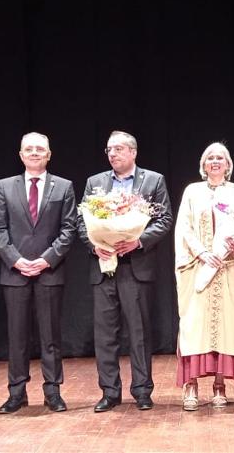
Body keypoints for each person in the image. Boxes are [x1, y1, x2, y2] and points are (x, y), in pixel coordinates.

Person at [78, 130, 173, 412]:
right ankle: (109, 392)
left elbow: (164, 219)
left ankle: (142, 390)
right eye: (109, 149)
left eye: (118, 149)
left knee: (139, 332)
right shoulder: (95, 182)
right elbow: (82, 221)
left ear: (133, 152)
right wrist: (94, 246)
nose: (113, 154)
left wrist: (138, 241)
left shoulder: (153, 180)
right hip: (104, 265)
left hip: (136, 266)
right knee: (105, 334)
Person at [0, 132, 77, 414]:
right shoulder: (5, 186)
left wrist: (46, 260)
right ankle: (16, 393)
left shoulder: (63, 186)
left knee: (50, 336)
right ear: (20, 155)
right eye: (28, 149)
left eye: (40, 149)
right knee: (17, 337)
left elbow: (68, 230)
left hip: (49, 271)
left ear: (49, 155)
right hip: (15, 272)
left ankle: (52, 391)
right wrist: (16, 260)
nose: (34, 153)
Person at [174, 143, 234, 411]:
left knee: (225, 326)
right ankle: (191, 386)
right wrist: (201, 253)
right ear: (203, 164)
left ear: (228, 164)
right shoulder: (192, 191)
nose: (215, 161)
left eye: (220, 157)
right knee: (194, 326)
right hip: (198, 267)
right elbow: (184, 228)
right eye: (210, 157)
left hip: (229, 267)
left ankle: (220, 385)